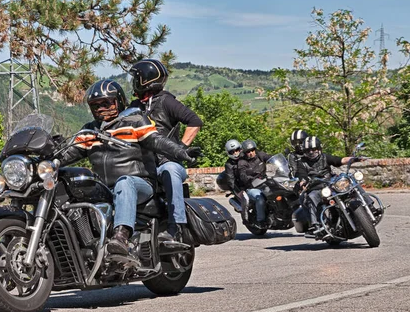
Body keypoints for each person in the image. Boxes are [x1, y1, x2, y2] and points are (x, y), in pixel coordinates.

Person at [60, 79, 202, 258]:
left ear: (118, 101)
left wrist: (181, 151)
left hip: (140, 183)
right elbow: (69, 153)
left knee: (124, 182)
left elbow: (156, 140)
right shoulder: (89, 131)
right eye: (95, 105)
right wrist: (44, 158)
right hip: (106, 188)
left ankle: (122, 237)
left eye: (106, 103)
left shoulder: (134, 121)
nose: (101, 108)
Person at [128, 58, 204, 243]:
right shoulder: (134, 107)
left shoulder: (166, 101)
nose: (133, 82)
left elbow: (194, 121)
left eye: (136, 78)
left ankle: (176, 226)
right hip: (142, 165)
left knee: (170, 170)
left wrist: (181, 149)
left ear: (145, 80)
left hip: (166, 163)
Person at [296, 136, 359, 235]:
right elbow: (301, 174)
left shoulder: (325, 157)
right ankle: (316, 224)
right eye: (308, 150)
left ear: (319, 148)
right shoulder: (302, 162)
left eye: (314, 149)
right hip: (316, 188)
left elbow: (340, 160)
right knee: (311, 197)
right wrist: (303, 181)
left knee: (350, 181)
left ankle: (369, 205)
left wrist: (355, 159)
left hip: (330, 184)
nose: (311, 152)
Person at [237, 139, 272, 227]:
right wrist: (251, 178)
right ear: (245, 152)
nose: (251, 153)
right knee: (260, 198)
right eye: (248, 151)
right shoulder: (242, 162)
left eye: (253, 150)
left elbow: (271, 158)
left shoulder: (260, 155)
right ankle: (261, 221)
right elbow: (243, 176)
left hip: (264, 183)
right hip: (252, 187)